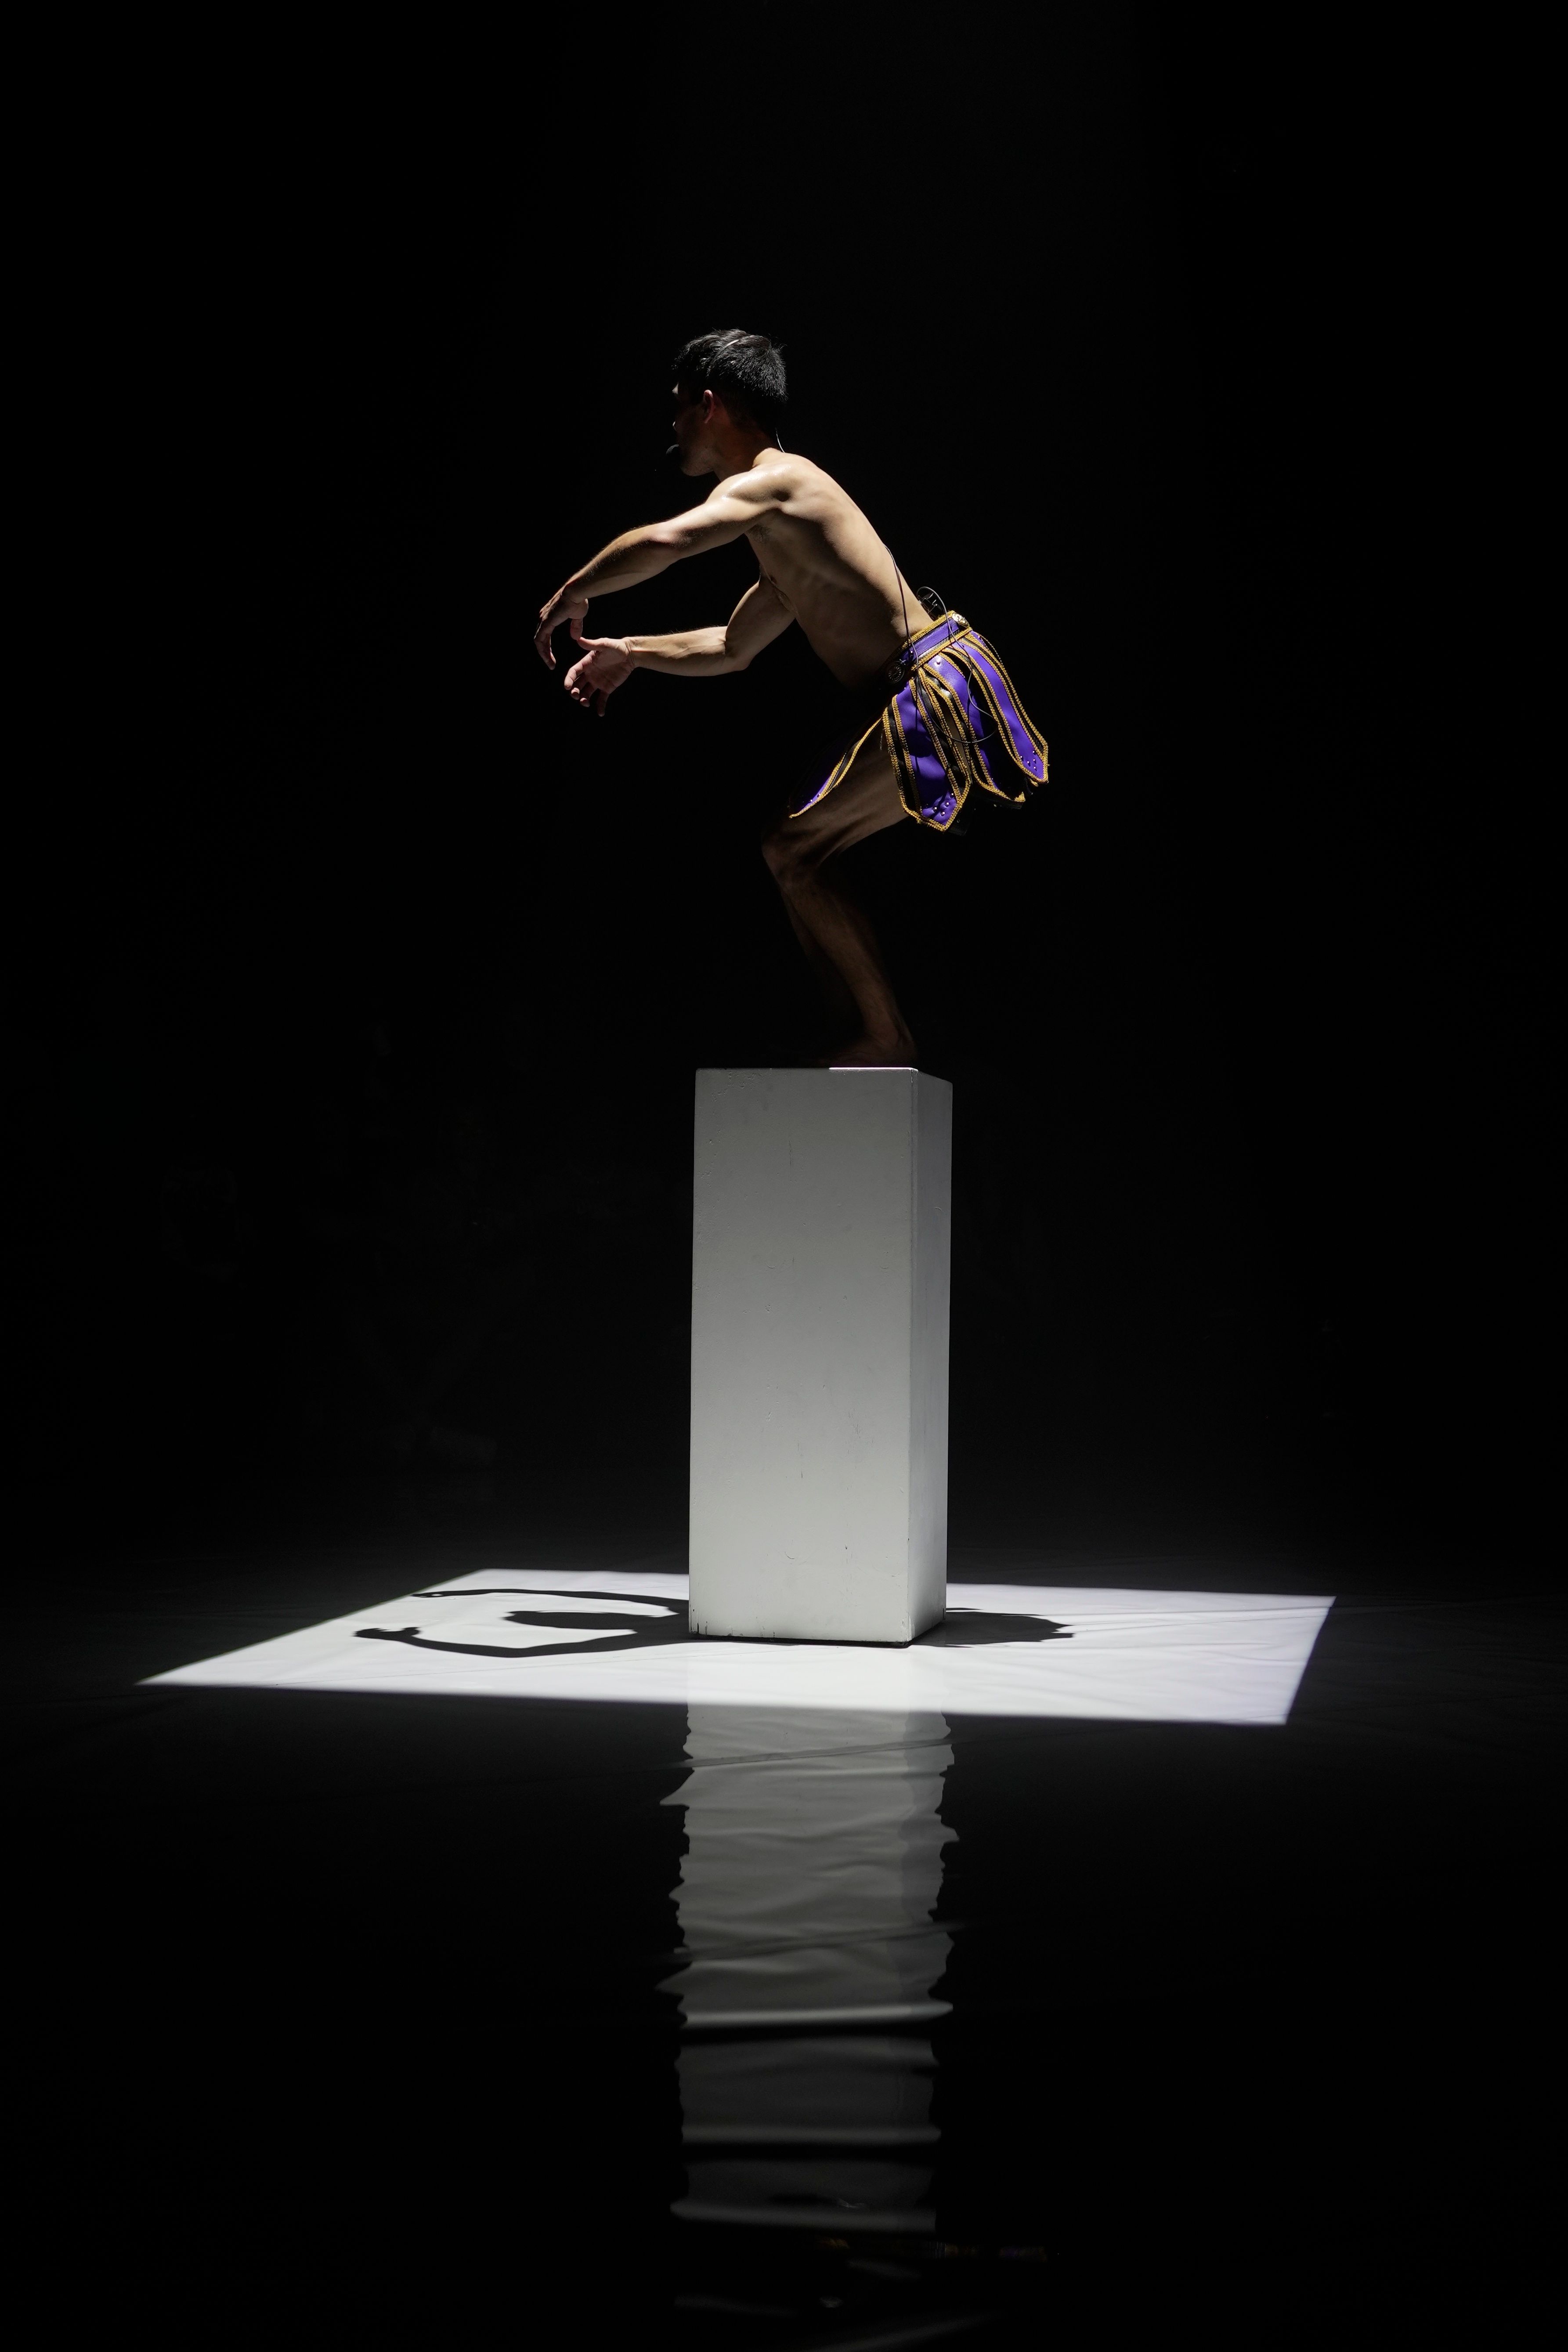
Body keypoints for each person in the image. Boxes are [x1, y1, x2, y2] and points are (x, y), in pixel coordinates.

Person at [534, 330, 1048, 1066]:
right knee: (795, 853)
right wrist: (631, 654)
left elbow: (671, 542)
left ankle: (882, 1034)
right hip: (929, 685)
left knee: (790, 849)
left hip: (933, 684)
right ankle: (855, 1036)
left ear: (709, 406)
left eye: (680, 410)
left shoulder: (781, 482)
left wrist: (573, 591)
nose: (673, 429)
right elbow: (732, 649)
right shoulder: (786, 534)